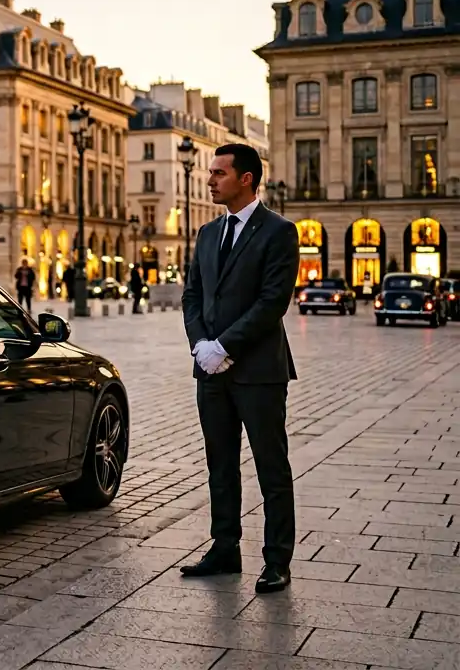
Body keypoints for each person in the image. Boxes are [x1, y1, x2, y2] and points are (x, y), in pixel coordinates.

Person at [180, 143, 300, 595]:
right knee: (220, 464)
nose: (210, 180)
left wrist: (225, 345)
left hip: (258, 370)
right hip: (209, 369)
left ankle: (277, 560)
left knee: (272, 467)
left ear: (246, 178)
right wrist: (200, 347)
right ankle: (225, 548)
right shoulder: (208, 233)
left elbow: (272, 302)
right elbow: (193, 295)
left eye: (218, 173)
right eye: (210, 172)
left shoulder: (279, 232)